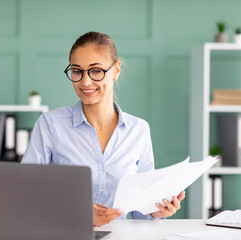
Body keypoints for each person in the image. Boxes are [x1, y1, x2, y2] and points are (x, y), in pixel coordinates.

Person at [21, 31, 185, 227]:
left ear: (116, 70)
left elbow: (140, 211)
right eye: (76, 71)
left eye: (96, 70)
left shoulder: (139, 130)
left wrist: (156, 211)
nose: (85, 81)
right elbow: (25, 195)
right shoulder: (50, 125)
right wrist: (77, 213)